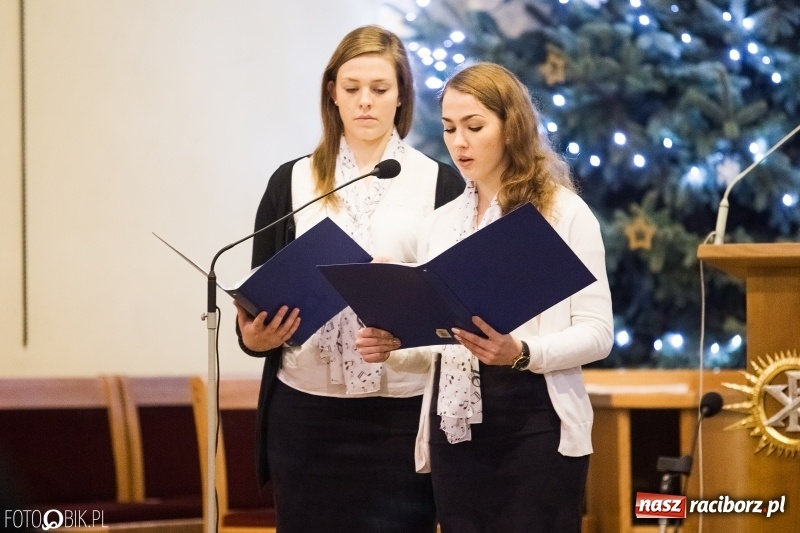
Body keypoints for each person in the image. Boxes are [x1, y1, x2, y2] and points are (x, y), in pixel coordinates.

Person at [356, 62, 613, 533]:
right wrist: (395, 347)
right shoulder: (441, 223)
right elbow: (444, 342)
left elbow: (599, 334)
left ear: (511, 127)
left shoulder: (561, 212)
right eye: (451, 128)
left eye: (475, 127)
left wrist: (522, 353)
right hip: (455, 431)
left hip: (535, 424)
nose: (459, 142)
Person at [235, 25, 464, 533]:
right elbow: (257, 295)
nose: (365, 102)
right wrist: (252, 337)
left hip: (400, 415)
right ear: (332, 94)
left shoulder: (440, 184)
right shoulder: (291, 181)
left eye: (380, 89)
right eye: (352, 88)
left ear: (400, 95)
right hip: (306, 413)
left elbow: (452, 307)